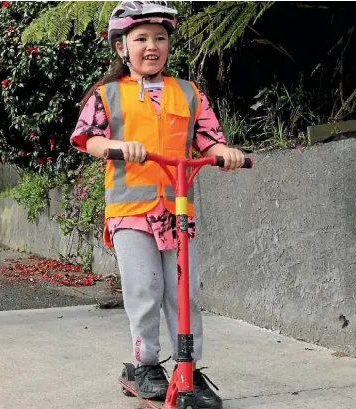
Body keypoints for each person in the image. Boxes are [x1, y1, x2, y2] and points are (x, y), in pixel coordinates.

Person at [70, 2, 246, 407]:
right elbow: (89, 139)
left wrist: (226, 152)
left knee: (182, 291)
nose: (152, 46)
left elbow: (209, 137)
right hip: (130, 210)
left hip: (176, 210)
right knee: (145, 288)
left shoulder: (188, 92)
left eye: (160, 39)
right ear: (121, 48)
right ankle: (145, 364)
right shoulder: (107, 94)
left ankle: (188, 366)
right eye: (141, 39)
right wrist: (118, 146)